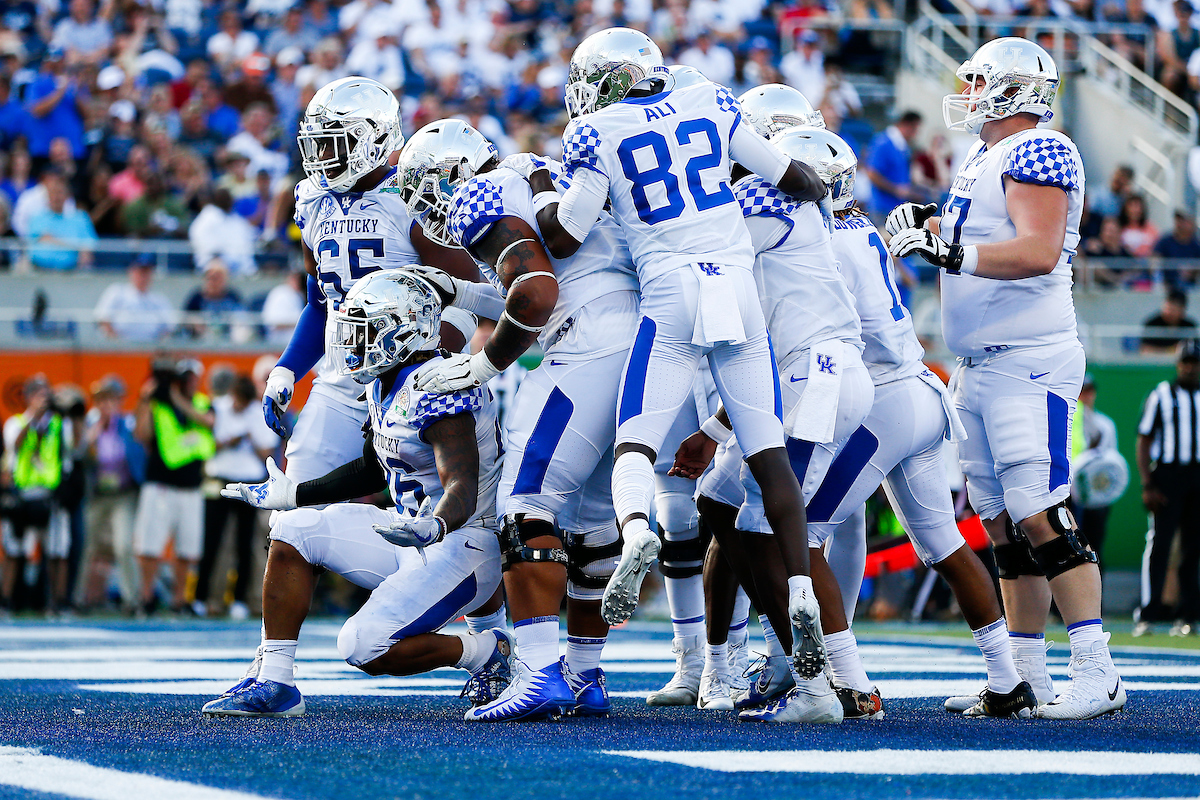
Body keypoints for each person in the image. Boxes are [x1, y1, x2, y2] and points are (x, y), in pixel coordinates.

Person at [515, 28, 831, 685]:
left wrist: (543, 188)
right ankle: (801, 589)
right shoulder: (711, 100)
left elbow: (567, 234)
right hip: (736, 286)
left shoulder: (595, 131)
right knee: (767, 454)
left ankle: (635, 533)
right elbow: (799, 179)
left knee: (634, 445)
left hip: (672, 292)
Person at [888, 36, 1126, 719]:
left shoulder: (1039, 147)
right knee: (1000, 524)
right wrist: (928, 225)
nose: (964, 92)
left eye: (977, 80)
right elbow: (982, 231)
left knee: (1040, 512)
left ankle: (1097, 669)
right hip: (982, 364)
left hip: (1030, 359)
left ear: (1014, 88)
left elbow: (1037, 248)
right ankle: (1024, 677)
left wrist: (951, 250)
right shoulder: (984, 155)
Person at [398, 118, 635, 721]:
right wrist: (453, 290)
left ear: (447, 174)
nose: (426, 209)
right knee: (592, 519)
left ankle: (537, 672)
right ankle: (584, 673)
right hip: (636, 342)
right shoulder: (531, 174)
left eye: (424, 189)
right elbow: (518, 288)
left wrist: (482, 366)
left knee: (526, 505)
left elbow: (534, 294)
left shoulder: (479, 193)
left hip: (583, 346)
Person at [202, 272, 511, 718]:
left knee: (361, 644)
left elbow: (462, 481)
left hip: (461, 543)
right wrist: (296, 494)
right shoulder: (384, 380)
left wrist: (435, 523)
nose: (350, 344)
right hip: (408, 535)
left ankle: (484, 650)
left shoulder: (443, 382)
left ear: (402, 331)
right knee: (293, 528)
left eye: (362, 332)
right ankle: (275, 680)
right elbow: (372, 465)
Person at [132, 359, 215, 615]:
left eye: (192, 377)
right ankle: (146, 597)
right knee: (149, 546)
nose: (189, 382)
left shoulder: (201, 402)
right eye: (184, 378)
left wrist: (177, 399)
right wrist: (146, 399)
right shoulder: (157, 404)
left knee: (188, 548)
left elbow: (209, 422)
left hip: (191, 487)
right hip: (160, 485)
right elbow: (142, 435)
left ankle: (179, 600)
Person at [194, 375, 279, 620]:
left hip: (248, 483)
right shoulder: (217, 407)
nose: (237, 406)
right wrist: (228, 441)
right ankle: (203, 597)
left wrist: (248, 438)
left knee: (244, 544)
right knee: (211, 541)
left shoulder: (259, 412)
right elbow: (207, 441)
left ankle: (239, 599)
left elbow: (266, 453)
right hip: (219, 479)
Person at [1135, 339, 1200, 637]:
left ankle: (1187, 615)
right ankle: (1149, 614)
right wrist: (1147, 483)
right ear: (1178, 364)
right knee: (1159, 545)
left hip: (1197, 476)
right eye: (1186, 361)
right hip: (1168, 476)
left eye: (1194, 362)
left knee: (1193, 548)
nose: (1189, 367)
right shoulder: (1162, 393)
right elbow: (1144, 439)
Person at [2, 375, 73, 614]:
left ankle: (58, 601)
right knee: (14, 550)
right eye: (38, 395)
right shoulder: (17, 422)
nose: (43, 400)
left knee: (57, 551)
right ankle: (6, 601)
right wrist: (33, 417)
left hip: (51, 495)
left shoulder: (59, 424)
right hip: (23, 494)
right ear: (28, 397)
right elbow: (16, 445)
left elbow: (74, 449)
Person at [76, 376, 144, 613]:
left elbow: (138, 452)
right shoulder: (89, 426)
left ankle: (131, 600)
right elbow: (80, 457)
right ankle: (77, 598)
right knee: (86, 545)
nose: (106, 405)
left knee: (124, 545)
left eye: (110, 400)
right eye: (101, 400)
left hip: (122, 494)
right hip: (96, 495)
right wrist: (90, 440)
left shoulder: (127, 425)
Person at [1070, 374, 1123, 575]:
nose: (1085, 395)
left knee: (1094, 546)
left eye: (1089, 390)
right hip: (1068, 496)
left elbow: (1110, 466)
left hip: (1095, 497)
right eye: (1081, 390)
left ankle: (1096, 602)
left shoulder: (1105, 424)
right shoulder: (1067, 421)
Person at [24, 169, 96, 270]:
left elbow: (88, 250)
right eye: (53, 192)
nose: (56, 197)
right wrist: (74, 247)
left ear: (67, 196)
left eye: (60, 192)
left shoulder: (81, 218)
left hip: (72, 273)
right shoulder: (37, 218)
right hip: (39, 272)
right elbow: (29, 247)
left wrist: (53, 240)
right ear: (47, 195)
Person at [94, 254, 175, 341]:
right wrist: (117, 344)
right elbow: (103, 319)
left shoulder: (159, 299)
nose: (143, 276)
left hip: (151, 349)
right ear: (131, 272)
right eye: (140, 272)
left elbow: (170, 328)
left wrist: (159, 347)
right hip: (118, 350)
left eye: (147, 272)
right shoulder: (116, 292)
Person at [865, 110, 923, 223]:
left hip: (897, 208)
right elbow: (872, 173)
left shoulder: (903, 146)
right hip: (882, 208)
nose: (916, 134)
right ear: (907, 125)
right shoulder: (882, 143)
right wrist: (896, 189)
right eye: (915, 129)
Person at [182, 259, 246, 340]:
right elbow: (186, 317)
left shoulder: (233, 297)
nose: (213, 282)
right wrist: (195, 321)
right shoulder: (197, 298)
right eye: (211, 277)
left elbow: (242, 317)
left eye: (217, 278)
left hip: (229, 339)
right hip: (202, 338)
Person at [1141, 287, 1197, 353]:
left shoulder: (1189, 327)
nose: (1168, 313)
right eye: (1167, 309)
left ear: (1182, 311)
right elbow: (1146, 350)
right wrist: (1171, 350)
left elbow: (1194, 350)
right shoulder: (1152, 324)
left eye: (1173, 310)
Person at [1153, 210, 1200, 289]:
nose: (1181, 224)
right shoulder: (1166, 241)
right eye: (1179, 220)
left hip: (1189, 285)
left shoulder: (1196, 244)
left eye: (1184, 221)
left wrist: (1192, 270)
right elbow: (1154, 257)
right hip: (1167, 284)